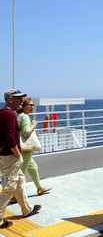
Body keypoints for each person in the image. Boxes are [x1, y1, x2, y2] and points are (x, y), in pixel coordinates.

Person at [0, 89, 41, 229]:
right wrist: (17, 154)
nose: (21, 101)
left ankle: (26, 209)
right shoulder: (11, 114)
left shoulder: (1, 112)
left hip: (3, 155)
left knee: (19, 181)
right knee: (8, 188)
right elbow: (11, 139)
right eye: (18, 99)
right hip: (11, 156)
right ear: (10, 100)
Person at [15, 97, 52, 198]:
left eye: (33, 105)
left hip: (19, 147)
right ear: (23, 106)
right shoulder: (25, 117)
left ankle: (39, 188)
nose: (32, 107)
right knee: (21, 172)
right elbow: (26, 132)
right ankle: (15, 196)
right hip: (25, 149)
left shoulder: (18, 115)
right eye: (30, 105)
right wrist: (33, 125)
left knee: (33, 167)